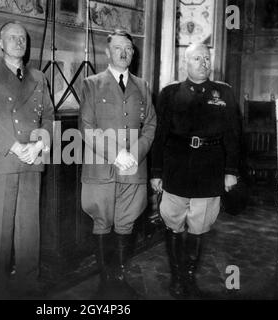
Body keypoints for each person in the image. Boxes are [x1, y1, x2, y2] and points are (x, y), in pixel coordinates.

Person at [151, 43, 241, 299]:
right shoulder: (169, 94)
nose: (203, 62)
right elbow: (160, 135)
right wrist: (156, 172)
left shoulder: (224, 93)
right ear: (185, 63)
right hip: (176, 168)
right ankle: (176, 278)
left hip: (210, 169)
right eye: (197, 58)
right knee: (173, 223)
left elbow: (234, 135)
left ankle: (189, 278)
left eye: (206, 58)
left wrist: (231, 170)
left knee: (200, 226)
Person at [0, 22, 53, 294]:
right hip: (3, 159)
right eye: (12, 37)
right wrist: (14, 145)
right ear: (0, 43)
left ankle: (28, 281)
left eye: (22, 38)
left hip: (32, 159)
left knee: (29, 227)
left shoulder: (39, 77)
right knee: (0, 228)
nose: (18, 42)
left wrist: (38, 145)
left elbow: (49, 118)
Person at [80, 30, 156, 299]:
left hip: (134, 169)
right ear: (107, 52)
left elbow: (150, 125)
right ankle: (105, 283)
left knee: (126, 223)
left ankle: (119, 280)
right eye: (118, 48)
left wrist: (135, 153)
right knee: (102, 222)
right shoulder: (91, 84)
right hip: (101, 169)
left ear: (133, 53)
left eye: (129, 48)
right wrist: (116, 154)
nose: (124, 52)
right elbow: (86, 128)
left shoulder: (143, 85)